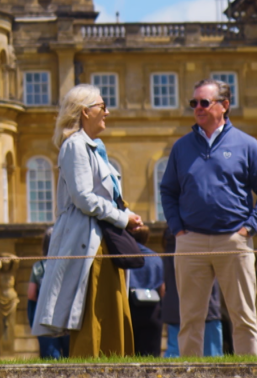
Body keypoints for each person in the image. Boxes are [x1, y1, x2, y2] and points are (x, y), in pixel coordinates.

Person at [159, 78, 257, 357]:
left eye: (204, 102)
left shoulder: (247, 145)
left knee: (244, 316)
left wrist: (248, 229)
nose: (198, 108)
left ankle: (249, 377)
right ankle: (190, 377)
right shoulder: (181, 147)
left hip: (233, 240)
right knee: (189, 319)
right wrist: (177, 229)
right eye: (194, 103)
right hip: (191, 241)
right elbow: (167, 191)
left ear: (224, 105)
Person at [32, 84, 143, 357]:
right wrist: (123, 218)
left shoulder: (94, 148)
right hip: (89, 243)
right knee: (93, 312)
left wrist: (125, 214)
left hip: (104, 240)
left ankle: (115, 370)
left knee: (111, 309)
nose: (107, 112)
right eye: (102, 107)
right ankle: (90, 374)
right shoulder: (75, 146)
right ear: (85, 112)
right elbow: (83, 198)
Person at [160, 226, 223, 358]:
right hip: (208, 308)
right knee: (212, 355)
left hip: (175, 308)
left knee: (175, 352)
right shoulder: (204, 242)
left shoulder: (168, 253)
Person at [27, 228, 70, 359]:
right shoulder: (69, 264)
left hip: (45, 317)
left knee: (51, 358)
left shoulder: (39, 267)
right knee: (71, 355)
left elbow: (31, 294)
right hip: (67, 316)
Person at [127, 224, 164, 357]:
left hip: (129, 308)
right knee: (151, 359)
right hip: (152, 309)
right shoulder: (156, 258)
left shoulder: (124, 257)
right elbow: (162, 288)